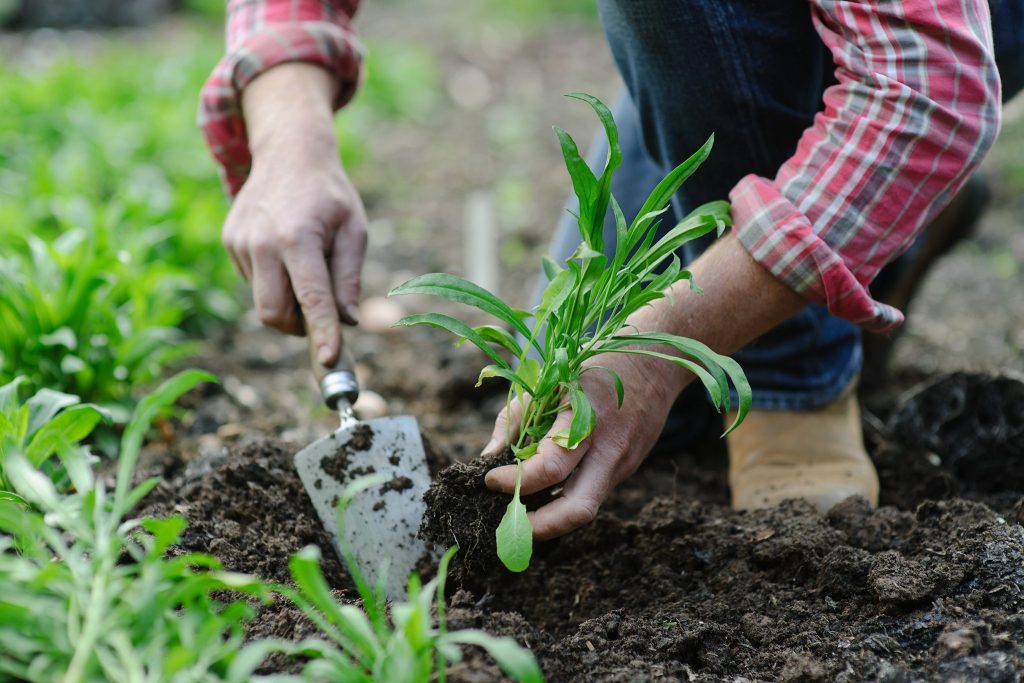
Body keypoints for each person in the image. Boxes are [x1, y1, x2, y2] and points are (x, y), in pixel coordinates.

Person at [201, 0, 1023, 542]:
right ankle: (884, 201)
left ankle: (792, 374)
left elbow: (930, 85)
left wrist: (667, 340)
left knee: (651, 372)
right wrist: (287, 128)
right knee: (602, 396)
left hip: (954, 35)